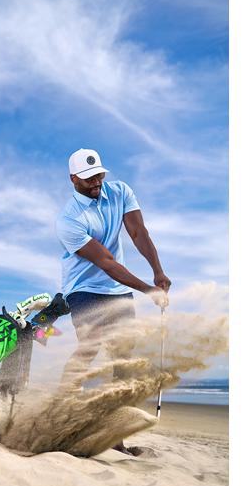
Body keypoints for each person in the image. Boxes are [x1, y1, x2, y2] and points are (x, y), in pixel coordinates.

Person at [56, 148, 171, 455]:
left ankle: (114, 436)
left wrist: (158, 271)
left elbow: (138, 233)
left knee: (122, 356)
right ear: (73, 179)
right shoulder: (69, 219)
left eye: (99, 175)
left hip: (117, 290)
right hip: (83, 289)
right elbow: (106, 262)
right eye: (88, 178)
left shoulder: (120, 192)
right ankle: (61, 408)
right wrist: (147, 289)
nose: (96, 182)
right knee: (91, 345)